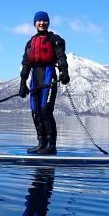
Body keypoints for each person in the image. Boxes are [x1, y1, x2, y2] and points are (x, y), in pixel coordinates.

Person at [19, 11, 70, 154]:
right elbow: (25, 65)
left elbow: (61, 57)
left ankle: (51, 146)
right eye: (39, 20)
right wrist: (23, 83)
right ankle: (41, 143)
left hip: (49, 76)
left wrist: (64, 72)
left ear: (48, 23)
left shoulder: (55, 39)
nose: (41, 23)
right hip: (35, 78)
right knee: (35, 111)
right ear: (34, 23)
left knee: (45, 110)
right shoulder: (30, 43)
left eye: (44, 20)